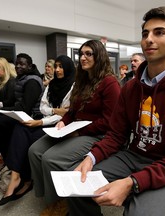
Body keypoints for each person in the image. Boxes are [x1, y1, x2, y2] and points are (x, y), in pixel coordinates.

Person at [65, 6, 165, 216]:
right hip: (133, 155)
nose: (149, 39)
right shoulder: (131, 87)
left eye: (159, 32)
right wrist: (91, 157)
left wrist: (132, 182)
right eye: (145, 34)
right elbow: (116, 135)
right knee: (75, 183)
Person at [28, 39, 121, 214]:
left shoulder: (110, 83)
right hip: (75, 129)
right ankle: (48, 196)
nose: (83, 58)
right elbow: (72, 110)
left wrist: (79, 131)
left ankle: (60, 203)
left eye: (88, 54)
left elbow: (109, 121)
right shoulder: (82, 80)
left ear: (99, 56)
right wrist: (64, 121)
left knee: (51, 158)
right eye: (81, 54)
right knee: (34, 150)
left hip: (96, 134)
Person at [0, 55, 75, 206]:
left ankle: (26, 179)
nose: (57, 70)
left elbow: (66, 115)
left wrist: (42, 120)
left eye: (61, 67)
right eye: (56, 66)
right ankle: (16, 176)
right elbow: (43, 107)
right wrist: (54, 110)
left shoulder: (74, 87)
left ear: (69, 68)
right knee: (21, 127)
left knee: (31, 139)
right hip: (48, 121)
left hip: (61, 126)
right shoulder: (52, 84)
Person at [0, 53, 44, 182]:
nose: (18, 66)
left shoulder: (32, 81)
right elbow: (12, 102)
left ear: (30, 66)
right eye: (17, 63)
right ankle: (7, 160)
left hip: (31, 116)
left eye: (22, 64)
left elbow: (25, 108)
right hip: (21, 113)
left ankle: (10, 163)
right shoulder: (20, 78)